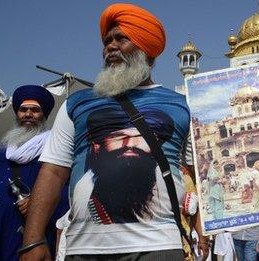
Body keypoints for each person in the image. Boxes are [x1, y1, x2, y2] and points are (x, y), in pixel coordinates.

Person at [20, 3, 197, 260]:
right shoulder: (77, 104)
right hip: (85, 248)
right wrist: (32, 240)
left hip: (158, 245)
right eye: (107, 41)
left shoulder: (181, 105)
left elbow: (206, 174)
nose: (110, 46)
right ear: (96, 148)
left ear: (146, 49)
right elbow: (54, 171)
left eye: (121, 39)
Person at [0, 85, 69, 261]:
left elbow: (66, 192)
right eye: (23, 109)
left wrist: (38, 204)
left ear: (44, 114)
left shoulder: (56, 149)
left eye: (35, 110)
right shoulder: (1, 151)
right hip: (0, 228)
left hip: (34, 232)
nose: (28, 114)